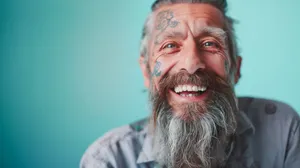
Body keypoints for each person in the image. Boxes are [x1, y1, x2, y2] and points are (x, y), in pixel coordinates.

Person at [80, 0, 300, 167]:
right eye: (169, 45)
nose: (191, 63)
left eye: (209, 43)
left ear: (236, 68)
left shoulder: (281, 130)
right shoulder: (109, 159)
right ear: (146, 71)